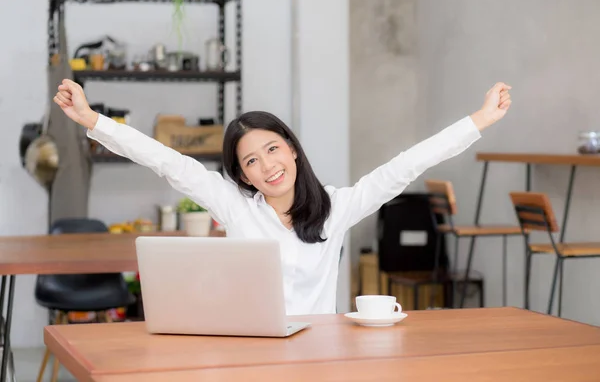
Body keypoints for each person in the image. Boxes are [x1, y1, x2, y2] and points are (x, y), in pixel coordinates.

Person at [53, 79, 512, 315]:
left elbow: (406, 165)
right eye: (251, 161)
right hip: (247, 350)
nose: (267, 165)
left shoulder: (335, 207)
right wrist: (93, 120)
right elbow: (167, 160)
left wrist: (479, 120)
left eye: (272, 148)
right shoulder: (232, 204)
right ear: (244, 176)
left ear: (291, 148)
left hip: (319, 355)